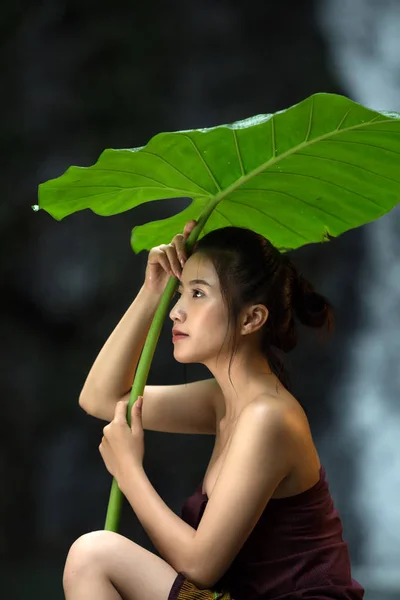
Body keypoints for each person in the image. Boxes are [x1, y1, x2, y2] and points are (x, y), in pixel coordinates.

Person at [63, 219, 365, 600]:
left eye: (199, 294)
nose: (177, 311)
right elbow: (101, 400)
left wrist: (128, 470)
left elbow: (201, 566)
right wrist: (152, 290)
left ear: (251, 318)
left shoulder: (268, 417)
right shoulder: (223, 400)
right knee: (93, 555)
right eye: (181, 291)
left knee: (94, 554)